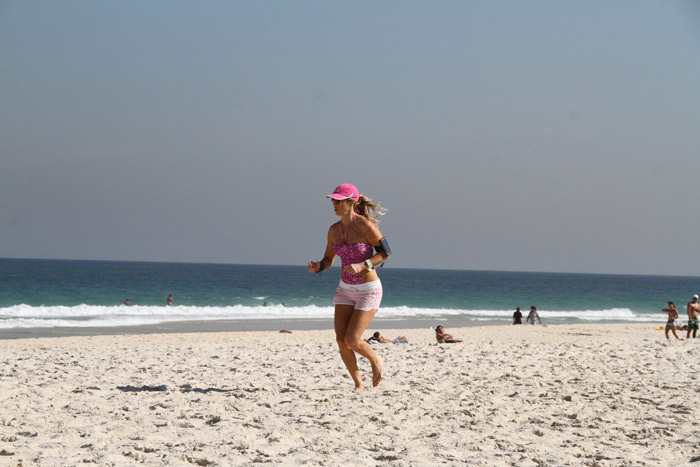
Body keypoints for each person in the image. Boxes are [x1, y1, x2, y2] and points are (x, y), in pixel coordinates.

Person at [308, 183, 390, 390]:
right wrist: (318, 267)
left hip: (368, 289)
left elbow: (386, 252)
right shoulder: (334, 230)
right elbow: (328, 259)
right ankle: (358, 385)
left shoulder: (365, 226)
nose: (334, 204)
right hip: (345, 289)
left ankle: (375, 359)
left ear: (351, 202)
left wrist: (364, 264)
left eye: (339, 201)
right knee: (341, 340)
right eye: (333, 201)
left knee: (352, 339)